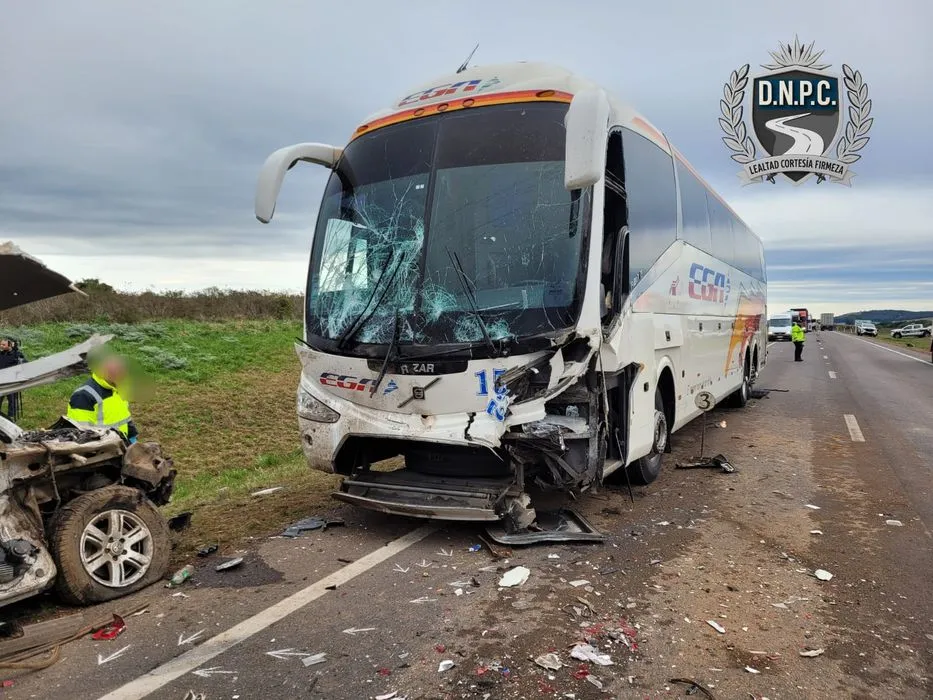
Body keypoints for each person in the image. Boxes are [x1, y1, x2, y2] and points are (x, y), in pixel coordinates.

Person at [66, 349, 138, 443]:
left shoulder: (120, 387)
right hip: (101, 450)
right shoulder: (83, 396)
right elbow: (80, 433)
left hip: (121, 443)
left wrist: (132, 436)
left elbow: (124, 417)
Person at [0, 337, 26, 421]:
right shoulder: (1, 354)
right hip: (1, 381)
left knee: (12, 400)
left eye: (3, 344)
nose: (1, 346)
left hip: (11, 381)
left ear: (10, 345)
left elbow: (25, 364)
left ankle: (11, 417)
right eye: (1, 344)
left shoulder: (17, 355)